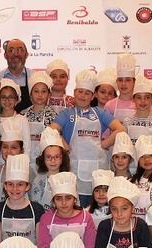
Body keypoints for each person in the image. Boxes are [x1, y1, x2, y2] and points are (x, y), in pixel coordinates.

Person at [50, 69, 126, 207]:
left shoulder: (100, 113)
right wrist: (64, 145)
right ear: (74, 93)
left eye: (87, 93)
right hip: (73, 170)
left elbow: (120, 129)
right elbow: (52, 130)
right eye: (80, 91)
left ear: (93, 96)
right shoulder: (67, 114)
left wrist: (104, 144)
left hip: (99, 173)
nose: (83, 96)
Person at [37, 172, 96, 248]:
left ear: (75, 199)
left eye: (68, 198)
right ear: (53, 201)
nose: (64, 203)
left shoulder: (86, 217)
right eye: (59, 199)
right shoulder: (46, 218)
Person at [30, 127, 70, 212]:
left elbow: (75, 206)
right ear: (43, 158)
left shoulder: (69, 179)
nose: (53, 161)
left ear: (62, 158)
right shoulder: (38, 180)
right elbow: (35, 208)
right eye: (48, 157)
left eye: (56, 157)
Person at [21, 71, 58, 162]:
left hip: (45, 162)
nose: (40, 95)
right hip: (25, 161)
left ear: (49, 94)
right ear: (30, 94)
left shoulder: (53, 116)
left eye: (44, 91)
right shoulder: (22, 115)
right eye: (36, 91)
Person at [0, 117, 28, 203]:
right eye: (5, 147)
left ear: (21, 150)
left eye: (14, 147)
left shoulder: (29, 171)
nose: (9, 151)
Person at [122, 75, 152, 144]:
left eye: (147, 97)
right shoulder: (127, 121)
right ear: (133, 100)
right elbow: (125, 146)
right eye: (139, 97)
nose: (143, 101)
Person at [0, 79, 32, 159]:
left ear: (17, 100)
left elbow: (27, 147)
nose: (7, 100)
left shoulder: (22, 120)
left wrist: (24, 164)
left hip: (18, 163)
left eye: (11, 97)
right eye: (3, 97)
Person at [130, 135, 152, 219]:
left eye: (151, 155)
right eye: (143, 157)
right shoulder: (132, 180)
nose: (147, 160)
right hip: (134, 225)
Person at [1, 38, 32, 111]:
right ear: (5, 55)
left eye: (20, 50)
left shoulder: (34, 77)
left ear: (26, 55)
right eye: (11, 50)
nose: (16, 54)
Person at [105, 53, 137, 122]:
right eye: (120, 80)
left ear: (134, 82)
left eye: (127, 80)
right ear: (116, 82)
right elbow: (106, 132)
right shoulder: (109, 105)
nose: (123, 84)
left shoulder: (140, 104)